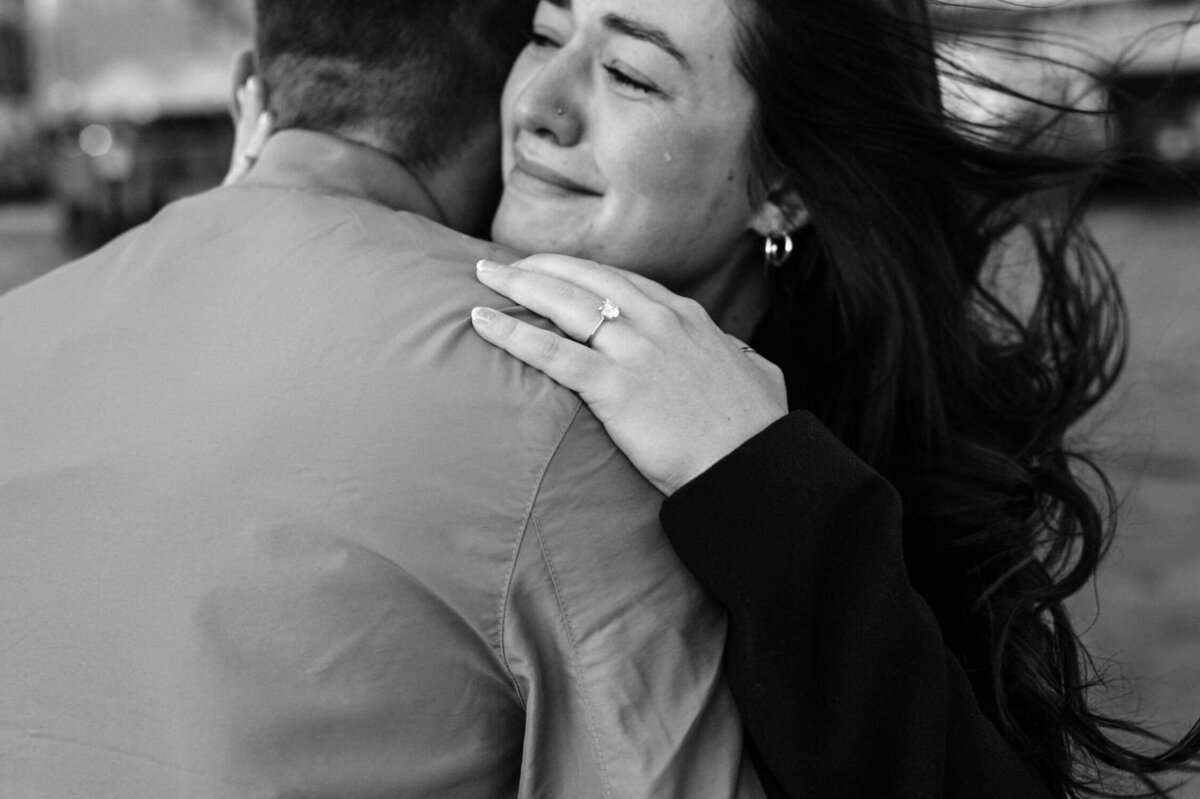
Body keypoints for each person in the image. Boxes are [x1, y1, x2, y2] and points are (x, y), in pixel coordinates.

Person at [223, 0, 1200, 796]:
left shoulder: (830, 490)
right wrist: (257, 226)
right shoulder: (396, 298)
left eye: (633, 76)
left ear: (781, 183)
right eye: (550, 33)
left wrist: (757, 476)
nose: (541, 107)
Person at [0, 1, 764, 796]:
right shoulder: (567, 406)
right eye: (545, 38)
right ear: (502, 91)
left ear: (245, 92)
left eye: (627, 74)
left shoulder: (15, 332)